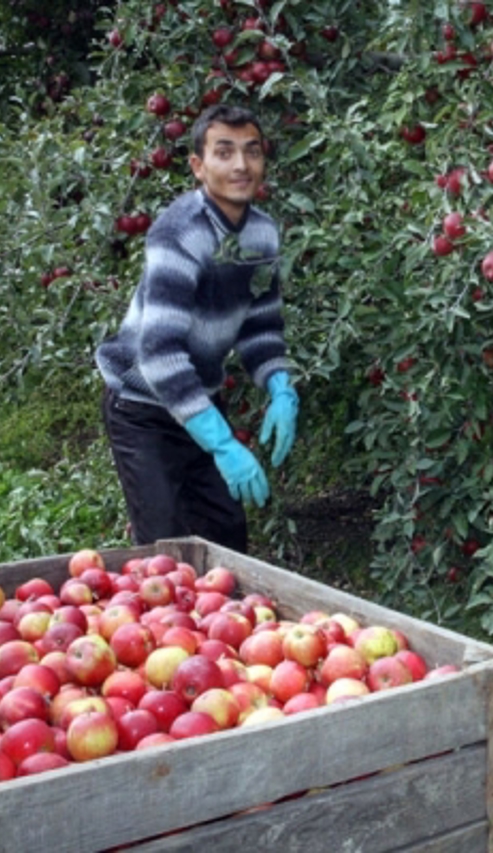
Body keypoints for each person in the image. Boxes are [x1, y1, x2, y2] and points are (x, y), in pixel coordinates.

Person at [96, 103, 298, 554]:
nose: (241, 165)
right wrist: (222, 442)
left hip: (199, 400)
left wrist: (281, 386)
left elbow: (260, 326)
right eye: (224, 152)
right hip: (142, 406)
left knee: (226, 540)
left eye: (252, 151)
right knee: (164, 551)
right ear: (198, 166)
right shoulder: (180, 232)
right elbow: (159, 355)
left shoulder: (262, 235)